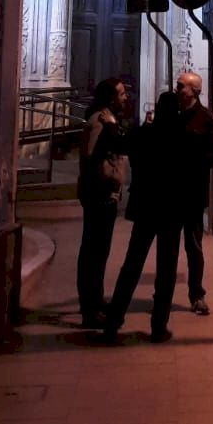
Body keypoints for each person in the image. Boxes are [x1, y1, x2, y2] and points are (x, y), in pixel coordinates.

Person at [103, 91, 185, 343]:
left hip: (146, 206)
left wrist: (110, 126)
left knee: (132, 264)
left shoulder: (143, 134)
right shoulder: (182, 136)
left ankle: (113, 321)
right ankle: (159, 326)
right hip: (171, 208)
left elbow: (117, 144)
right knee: (167, 269)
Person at [76, 76, 128, 328]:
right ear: (110, 98)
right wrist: (110, 180)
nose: (125, 97)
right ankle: (90, 308)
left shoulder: (108, 120)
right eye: (121, 93)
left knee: (99, 251)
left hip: (103, 193)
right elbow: (93, 157)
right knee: (93, 253)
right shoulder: (100, 121)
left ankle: (95, 301)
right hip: (99, 194)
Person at [175, 69, 213, 315]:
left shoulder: (208, 119)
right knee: (168, 246)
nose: (177, 90)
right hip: (171, 192)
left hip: (193, 192)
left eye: (181, 86)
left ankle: (197, 294)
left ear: (194, 91)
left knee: (194, 247)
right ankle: (162, 293)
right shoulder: (172, 117)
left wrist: (194, 163)